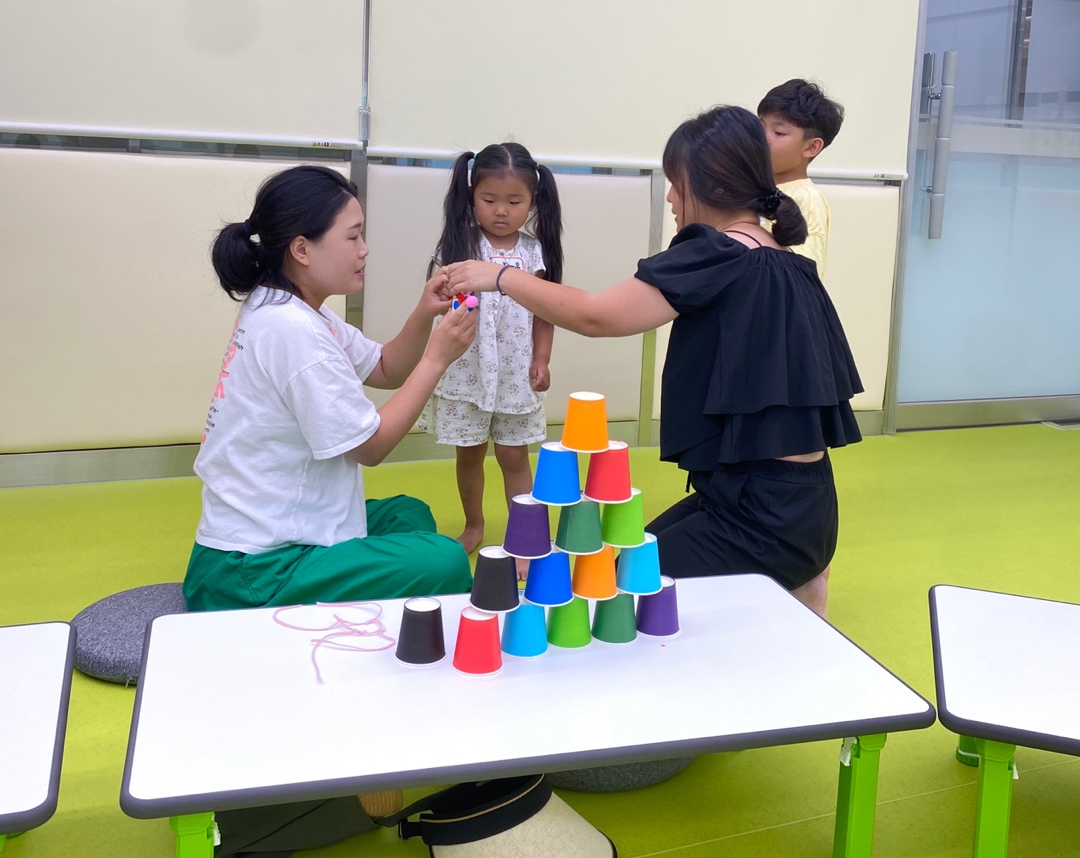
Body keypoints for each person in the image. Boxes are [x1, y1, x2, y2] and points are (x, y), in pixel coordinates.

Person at [444, 106, 863, 618]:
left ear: (709, 185)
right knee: (627, 557)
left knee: (616, 584)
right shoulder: (784, 258)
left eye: (675, 184)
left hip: (759, 517)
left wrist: (499, 276)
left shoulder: (719, 252)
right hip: (804, 506)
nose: (669, 198)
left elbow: (597, 315)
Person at [183, 164, 477, 615]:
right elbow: (371, 447)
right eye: (353, 236)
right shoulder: (292, 329)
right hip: (254, 569)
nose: (364, 249)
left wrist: (424, 314)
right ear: (302, 248)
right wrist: (437, 359)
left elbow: (385, 368)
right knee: (446, 560)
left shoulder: (293, 306)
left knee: (408, 513)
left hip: (280, 531)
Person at [426, 143, 564, 553]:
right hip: (467, 368)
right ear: (472, 197)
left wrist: (542, 359)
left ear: (533, 202)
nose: (501, 211)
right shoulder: (459, 246)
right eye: (489, 200)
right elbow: (442, 302)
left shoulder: (534, 252)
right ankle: (474, 525)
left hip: (514, 372)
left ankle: (526, 537)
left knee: (514, 455)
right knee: (469, 454)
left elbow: (545, 312)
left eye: (514, 201)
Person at [756, 78, 844, 279]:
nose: (762, 138)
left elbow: (799, 274)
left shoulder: (807, 199)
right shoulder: (755, 188)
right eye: (759, 127)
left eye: (778, 133)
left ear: (811, 147)